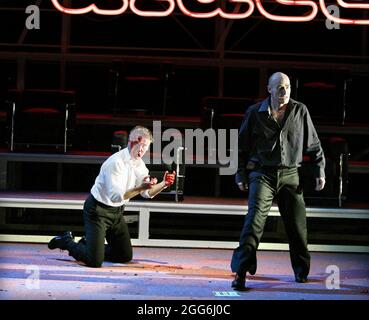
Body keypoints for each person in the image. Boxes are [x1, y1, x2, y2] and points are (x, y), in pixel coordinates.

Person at [231, 72, 326, 290]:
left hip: (291, 173)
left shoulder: (299, 110)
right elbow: (241, 147)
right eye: (280, 87)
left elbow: (314, 144)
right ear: (269, 89)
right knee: (254, 222)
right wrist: (240, 173)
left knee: (297, 225)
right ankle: (241, 272)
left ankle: (301, 271)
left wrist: (320, 170)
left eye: (288, 87)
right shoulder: (255, 112)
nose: (284, 92)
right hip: (262, 173)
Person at [48, 126, 176, 268]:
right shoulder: (116, 163)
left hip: (116, 213)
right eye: (140, 145)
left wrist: (164, 184)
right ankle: (67, 241)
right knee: (94, 261)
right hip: (97, 211)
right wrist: (141, 187)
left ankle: (86, 244)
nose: (142, 150)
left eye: (145, 147)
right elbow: (117, 196)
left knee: (124, 256)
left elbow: (146, 193)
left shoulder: (140, 165)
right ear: (131, 142)